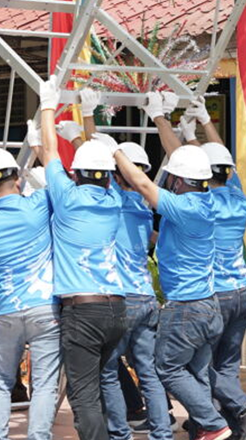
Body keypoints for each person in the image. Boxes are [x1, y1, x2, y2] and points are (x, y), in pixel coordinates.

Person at [113, 130, 230, 440]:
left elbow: (141, 184)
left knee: (167, 368)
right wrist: (163, 121)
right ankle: (203, 431)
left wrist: (112, 150)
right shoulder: (205, 202)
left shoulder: (185, 207)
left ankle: (214, 423)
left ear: (178, 181)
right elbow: (161, 238)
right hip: (207, 307)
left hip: (186, 309)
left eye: (170, 178)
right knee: (197, 373)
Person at [39, 81, 127, 440]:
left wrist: (47, 106)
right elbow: (94, 164)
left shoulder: (68, 197)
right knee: (103, 384)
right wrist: (86, 121)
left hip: (83, 311)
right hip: (115, 310)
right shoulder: (114, 200)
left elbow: (48, 152)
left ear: (75, 174)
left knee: (84, 395)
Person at [187, 98, 246, 440]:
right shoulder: (238, 199)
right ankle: (232, 422)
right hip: (243, 292)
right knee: (227, 364)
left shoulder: (203, 203)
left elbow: (198, 169)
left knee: (198, 365)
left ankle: (238, 410)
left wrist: (168, 125)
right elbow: (219, 162)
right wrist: (203, 124)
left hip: (216, 294)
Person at [0, 145, 62, 440]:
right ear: (18, 178)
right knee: (45, 383)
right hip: (46, 309)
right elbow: (55, 187)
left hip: (9, 310)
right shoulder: (39, 204)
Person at [99, 139, 172, 440]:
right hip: (146, 298)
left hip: (122, 299)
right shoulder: (144, 208)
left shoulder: (114, 201)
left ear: (118, 175)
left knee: (107, 370)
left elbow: (102, 164)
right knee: (148, 371)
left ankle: (120, 435)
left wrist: (88, 125)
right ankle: (162, 432)